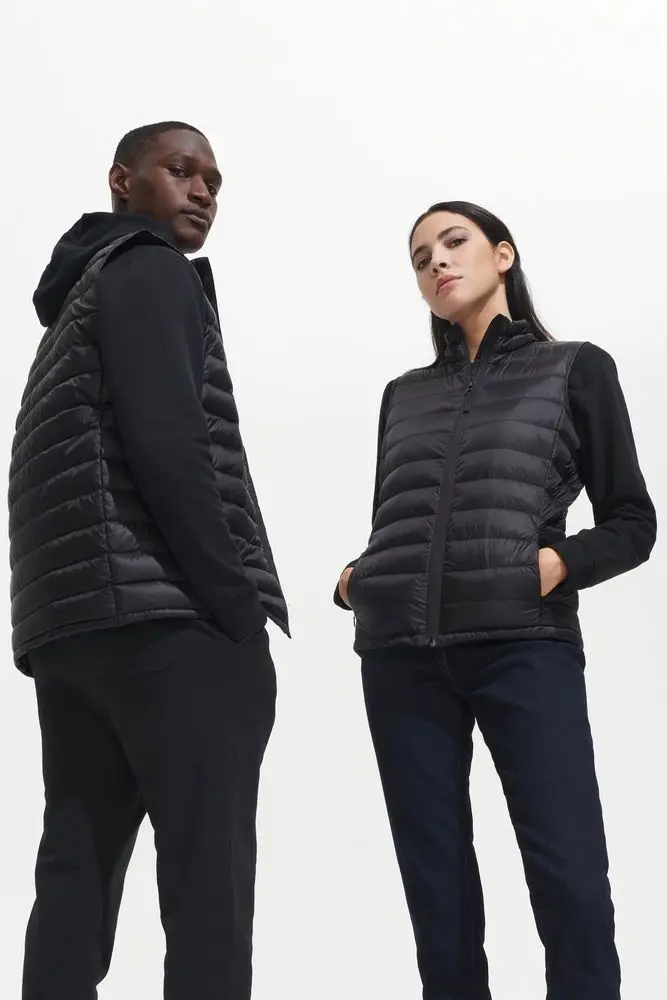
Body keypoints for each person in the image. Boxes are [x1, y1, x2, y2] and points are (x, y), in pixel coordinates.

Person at [335, 200, 656, 1000]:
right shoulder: (403, 394)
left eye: (453, 243)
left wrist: (552, 565)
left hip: (522, 644)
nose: (436, 263)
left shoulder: (574, 368)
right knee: (435, 891)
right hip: (400, 659)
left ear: (502, 255)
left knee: (568, 877)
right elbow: (399, 516)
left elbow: (632, 521)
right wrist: (360, 576)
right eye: (420, 259)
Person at [9, 121, 289, 1000]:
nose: (202, 190)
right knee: (208, 887)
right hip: (170, 626)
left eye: (214, 181)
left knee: (75, 872)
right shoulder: (149, 270)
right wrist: (236, 608)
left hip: (74, 632)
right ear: (122, 180)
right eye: (180, 169)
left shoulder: (77, 306)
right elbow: (169, 445)